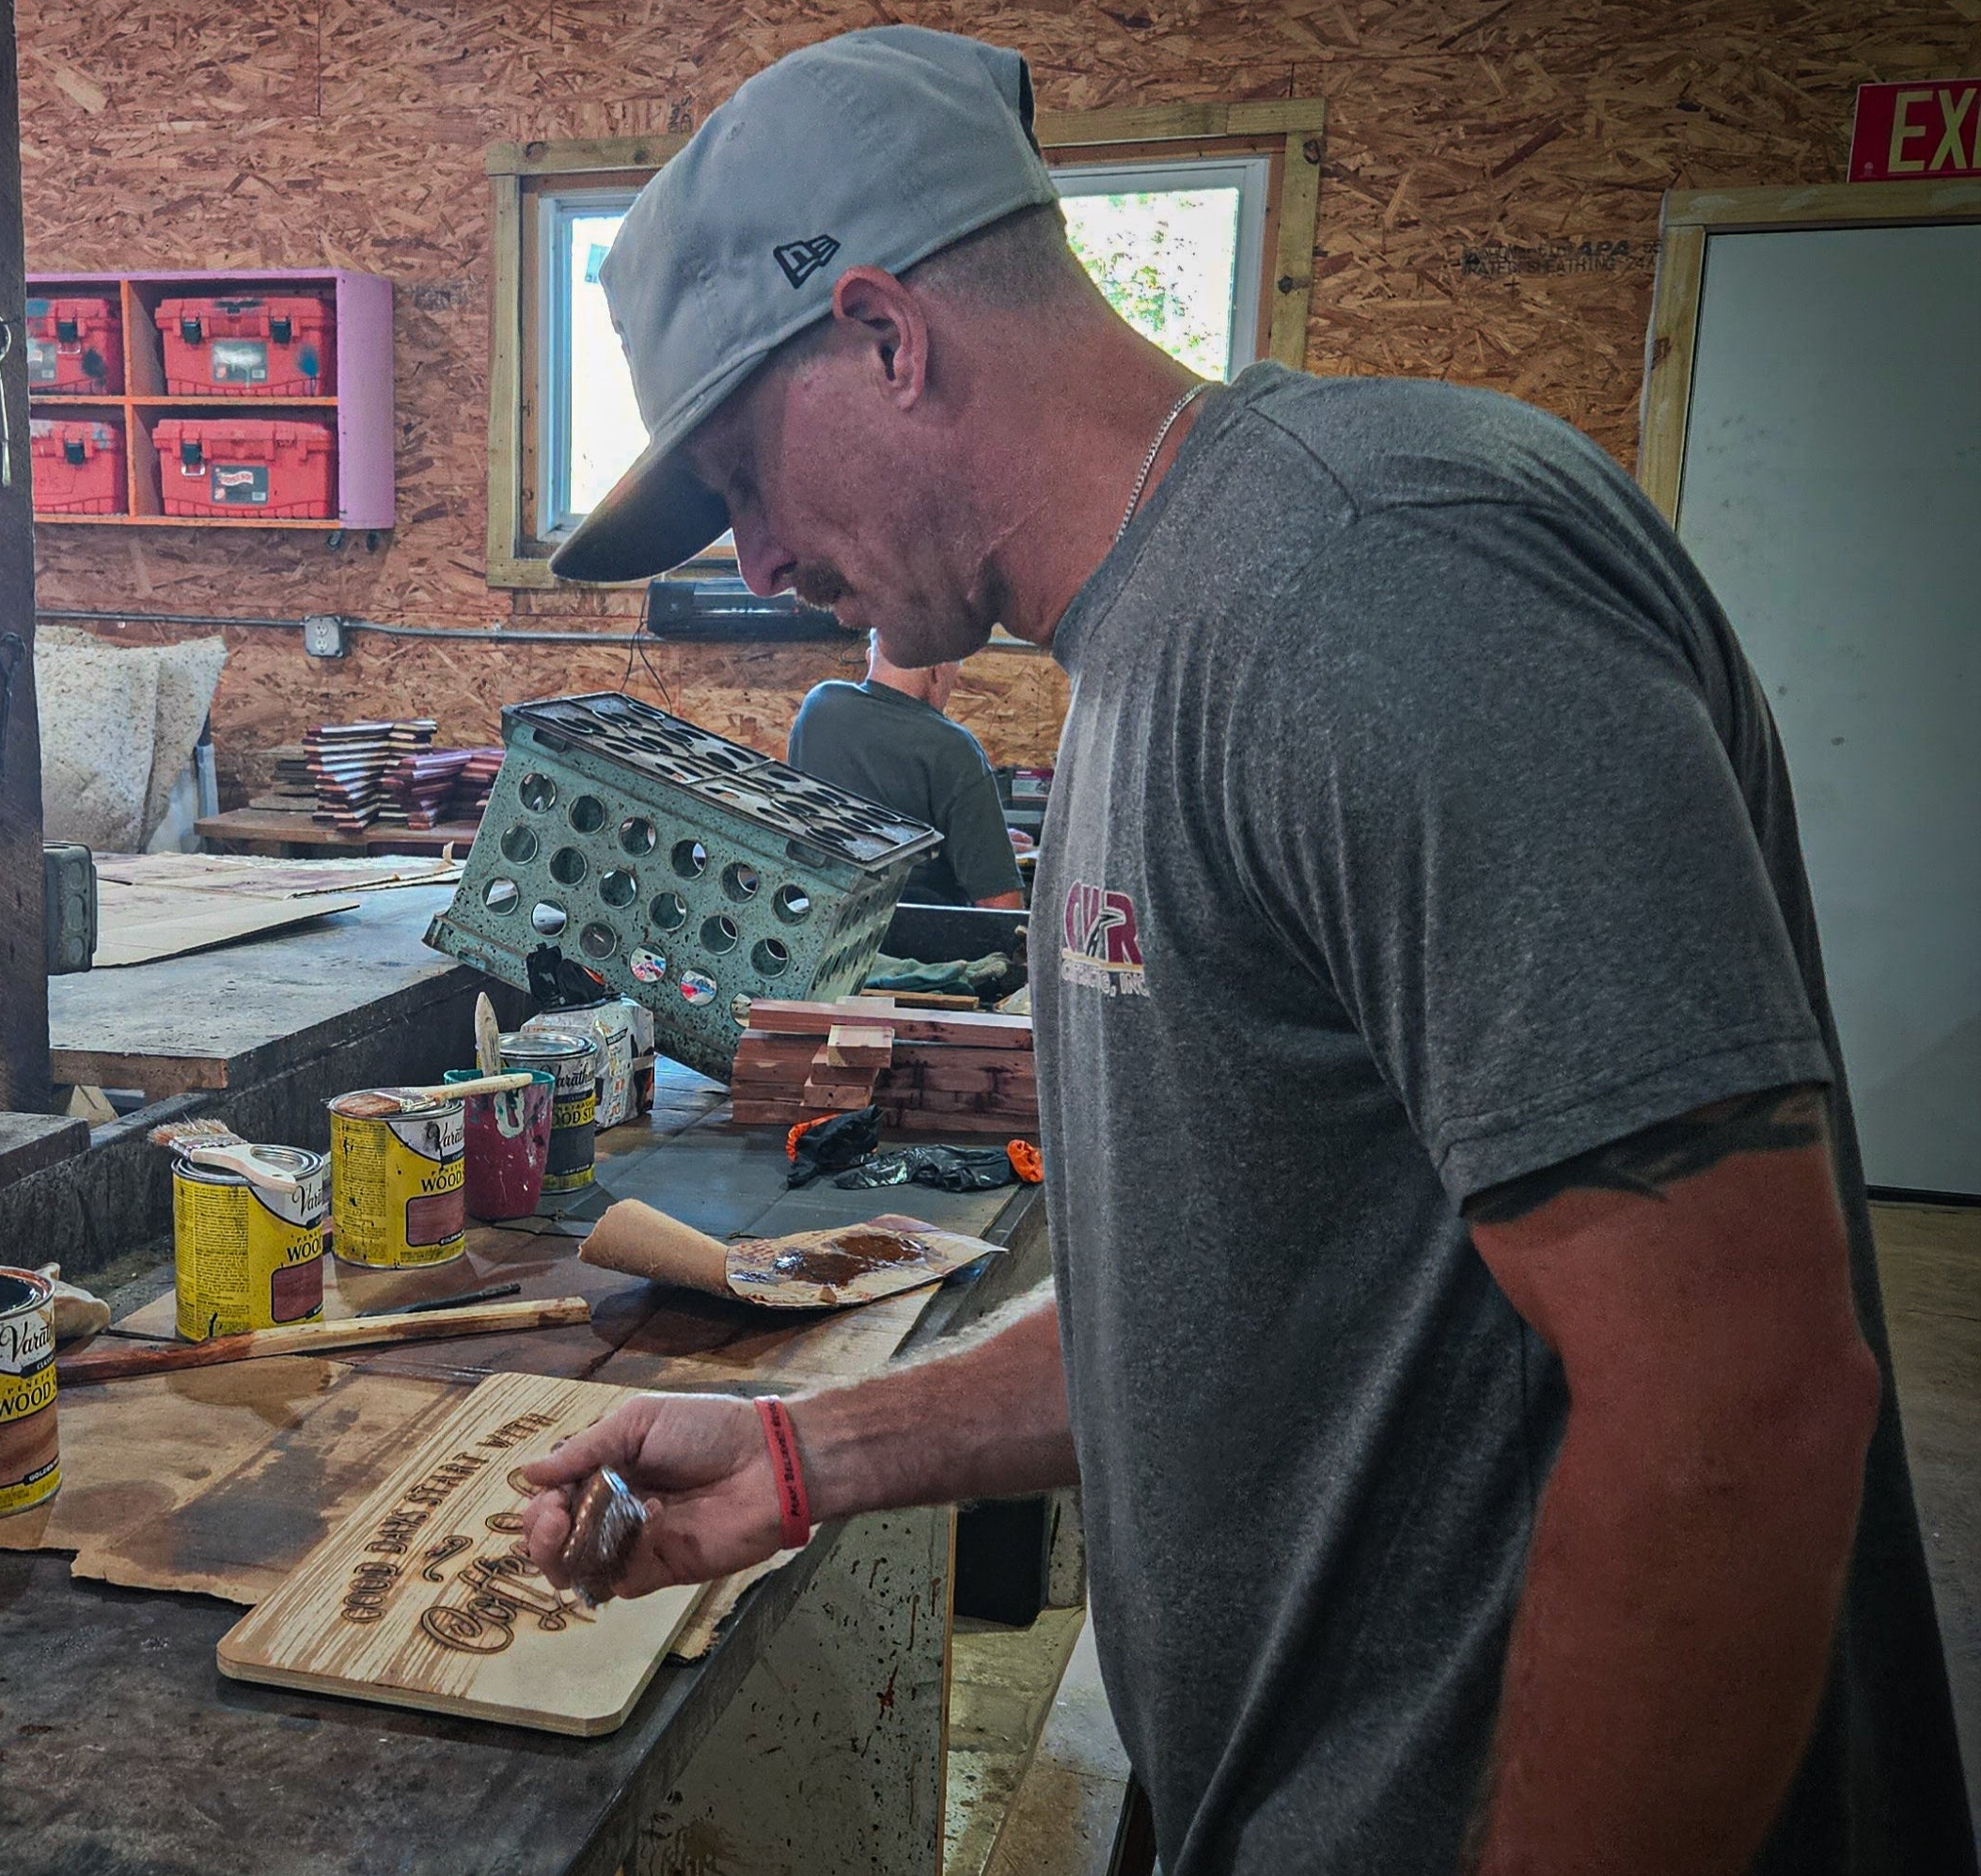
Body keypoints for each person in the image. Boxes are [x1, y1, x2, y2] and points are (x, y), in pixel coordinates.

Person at [523, 26, 1972, 1876]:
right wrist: (811, 1452)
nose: (749, 552)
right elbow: (1224, 1308)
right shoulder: (1152, 646)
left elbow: (1736, 1405)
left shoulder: (1376, 575)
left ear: (886, 337)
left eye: (736, 466)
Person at [788, 636, 1026, 906]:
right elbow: (1003, 911)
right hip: (916, 937)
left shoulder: (818, 706)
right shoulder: (954, 748)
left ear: (870, 656)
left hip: (814, 922)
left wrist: (979, 842)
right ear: (937, 669)